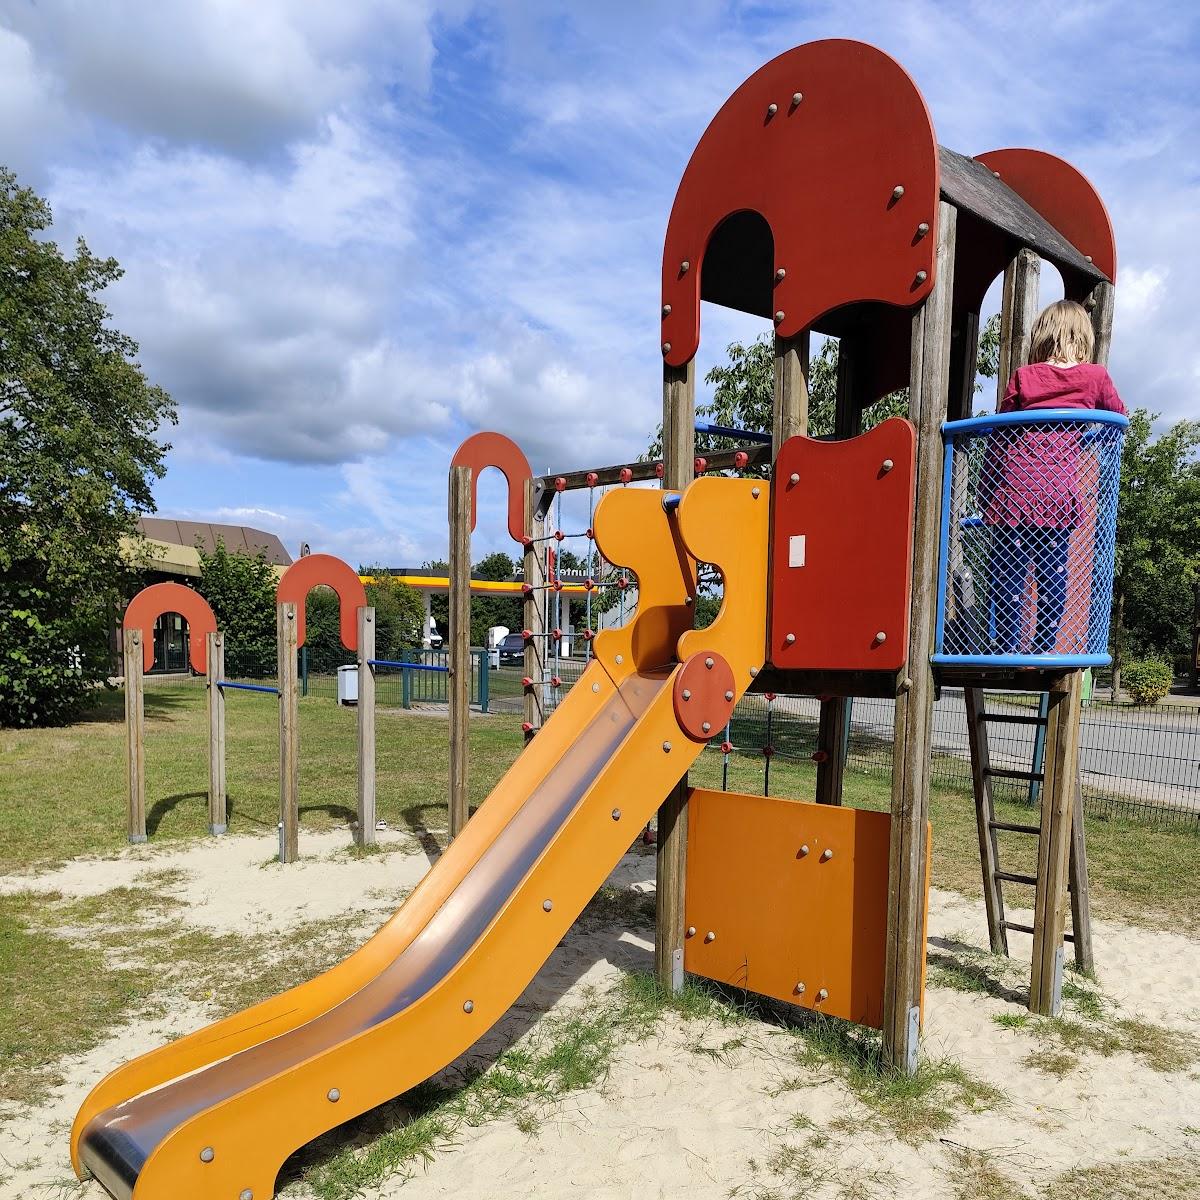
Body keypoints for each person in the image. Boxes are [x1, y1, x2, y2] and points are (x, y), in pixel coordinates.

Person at [981, 299, 1126, 656]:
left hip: (1014, 495)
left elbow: (1000, 439)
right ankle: (1045, 646)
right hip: (1057, 495)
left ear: (1042, 338)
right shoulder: (1095, 377)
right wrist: (1089, 438)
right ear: (1082, 338)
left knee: (1008, 574)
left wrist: (986, 493)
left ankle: (1008, 647)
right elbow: (1119, 419)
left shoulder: (1024, 376)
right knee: (1052, 572)